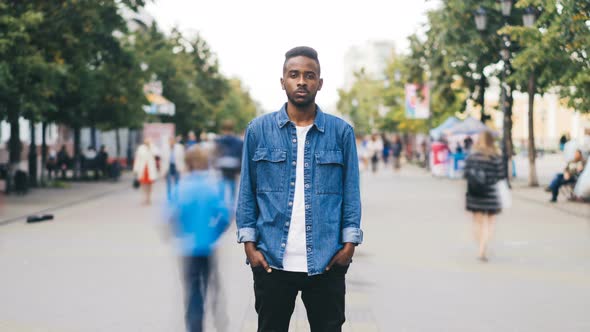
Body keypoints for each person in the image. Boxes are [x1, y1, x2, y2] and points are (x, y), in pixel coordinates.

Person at [236, 46, 363, 332]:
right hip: (271, 261)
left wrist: (348, 247)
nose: (302, 81)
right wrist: (249, 246)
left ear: (320, 82)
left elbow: (351, 193)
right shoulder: (258, 130)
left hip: (327, 261)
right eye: (294, 75)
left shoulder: (341, 132)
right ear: (283, 82)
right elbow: (247, 192)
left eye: (309, 75)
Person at [166, 145, 230, 332]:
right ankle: (220, 321)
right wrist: (214, 233)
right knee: (213, 285)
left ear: (187, 165)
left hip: (187, 248)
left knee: (192, 290)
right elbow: (225, 215)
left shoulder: (180, 188)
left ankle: (195, 326)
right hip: (208, 246)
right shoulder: (213, 187)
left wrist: (179, 232)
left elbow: (169, 216)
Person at [463, 131, 505, 262]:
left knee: (477, 222)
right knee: (490, 223)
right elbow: (501, 176)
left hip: (475, 194)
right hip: (491, 194)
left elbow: (465, 174)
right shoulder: (495, 157)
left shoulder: (472, 156)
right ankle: (483, 248)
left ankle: (480, 246)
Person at [214, 119, 243, 206]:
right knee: (232, 189)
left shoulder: (218, 140)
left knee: (221, 190)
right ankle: (230, 208)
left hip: (221, 166)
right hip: (233, 167)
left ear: (223, 129)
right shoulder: (239, 142)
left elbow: (216, 154)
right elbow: (241, 155)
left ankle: (221, 208)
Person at [161, 136, 186, 201]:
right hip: (168, 166)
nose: (171, 142)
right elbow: (163, 160)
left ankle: (176, 196)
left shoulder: (179, 147)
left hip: (176, 166)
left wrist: (183, 168)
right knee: (169, 183)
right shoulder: (165, 148)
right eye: (170, 141)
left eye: (172, 141)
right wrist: (162, 171)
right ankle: (169, 197)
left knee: (177, 182)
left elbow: (182, 158)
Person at [133, 139, 158, 205]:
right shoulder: (140, 148)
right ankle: (143, 198)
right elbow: (138, 159)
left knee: (150, 185)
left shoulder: (153, 147)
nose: (147, 141)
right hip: (142, 169)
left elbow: (156, 154)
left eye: (148, 140)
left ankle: (148, 198)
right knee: (143, 185)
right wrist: (135, 169)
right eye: (146, 140)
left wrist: (150, 147)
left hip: (150, 169)